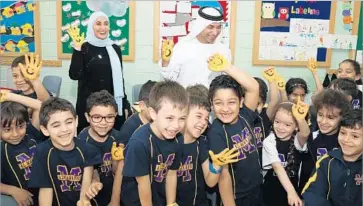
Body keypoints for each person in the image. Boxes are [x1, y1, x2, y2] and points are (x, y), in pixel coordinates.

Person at [206, 54, 262, 205]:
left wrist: (227, 68)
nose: (225, 109)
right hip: (237, 198)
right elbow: (224, 176)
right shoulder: (216, 132)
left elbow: (253, 87)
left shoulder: (245, 115)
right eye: (218, 103)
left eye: (231, 102)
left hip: (257, 189)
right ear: (211, 104)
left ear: (241, 102)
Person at [121, 81, 187, 206]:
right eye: (169, 118)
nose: (176, 126)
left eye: (182, 118)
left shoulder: (178, 138)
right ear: (153, 114)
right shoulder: (139, 143)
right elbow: (143, 186)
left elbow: (172, 173)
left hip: (158, 197)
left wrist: (171, 203)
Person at [28, 98, 103, 206]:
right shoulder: (42, 152)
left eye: (68, 122)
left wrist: (84, 201)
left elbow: (85, 188)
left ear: (76, 121)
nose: (64, 129)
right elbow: (45, 190)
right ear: (45, 130)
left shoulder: (87, 149)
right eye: (56, 125)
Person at [68, 11, 130, 133]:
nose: (103, 28)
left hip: (110, 107)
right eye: (98, 24)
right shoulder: (83, 47)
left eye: (106, 24)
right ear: (91, 26)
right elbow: (74, 74)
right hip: (88, 107)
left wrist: (125, 103)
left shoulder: (115, 48)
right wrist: (77, 49)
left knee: (112, 144)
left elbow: (119, 79)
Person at [176, 85, 238, 206]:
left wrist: (217, 165)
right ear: (184, 114)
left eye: (206, 118)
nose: (203, 123)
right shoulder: (168, 142)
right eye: (198, 116)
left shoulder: (202, 143)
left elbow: (210, 182)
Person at [160, 6, 232, 88]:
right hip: (186, 99)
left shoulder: (224, 50)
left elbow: (226, 82)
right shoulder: (183, 46)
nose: (215, 32)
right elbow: (169, 79)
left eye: (218, 27)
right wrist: (165, 62)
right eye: (210, 27)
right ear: (200, 26)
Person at [302, 109, 362, 206]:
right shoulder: (327, 161)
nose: (346, 140)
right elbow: (312, 193)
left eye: (355, 136)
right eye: (342, 133)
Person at [78, 90, 127, 206]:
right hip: (91, 197)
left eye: (109, 117)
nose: (103, 123)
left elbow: (118, 172)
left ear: (115, 115)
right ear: (87, 117)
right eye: (97, 117)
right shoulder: (81, 141)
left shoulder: (119, 138)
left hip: (115, 195)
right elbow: (87, 171)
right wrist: (95, 181)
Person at [298, 89, 351, 193]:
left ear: (342, 118)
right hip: (308, 192)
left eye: (330, 117)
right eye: (320, 115)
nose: (323, 121)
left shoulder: (345, 141)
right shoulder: (311, 135)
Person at [262, 100, 310, 206]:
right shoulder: (269, 141)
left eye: (287, 125)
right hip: (271, 190)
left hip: (293, 189)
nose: (280, 127)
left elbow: (305, 133)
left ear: (296, 127)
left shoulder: (297, 140)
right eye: (277, 122)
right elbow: (277, 167)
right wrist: (291, 192)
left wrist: (301, 119)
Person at [0, 91, 42, 206]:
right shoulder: (1, 149)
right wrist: (13, 190)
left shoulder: (31, 134)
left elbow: (39, 106)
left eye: (20, 126)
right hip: (23, 200)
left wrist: (10, 96)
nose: (15, 134)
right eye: (7, 129)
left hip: (44, 194)